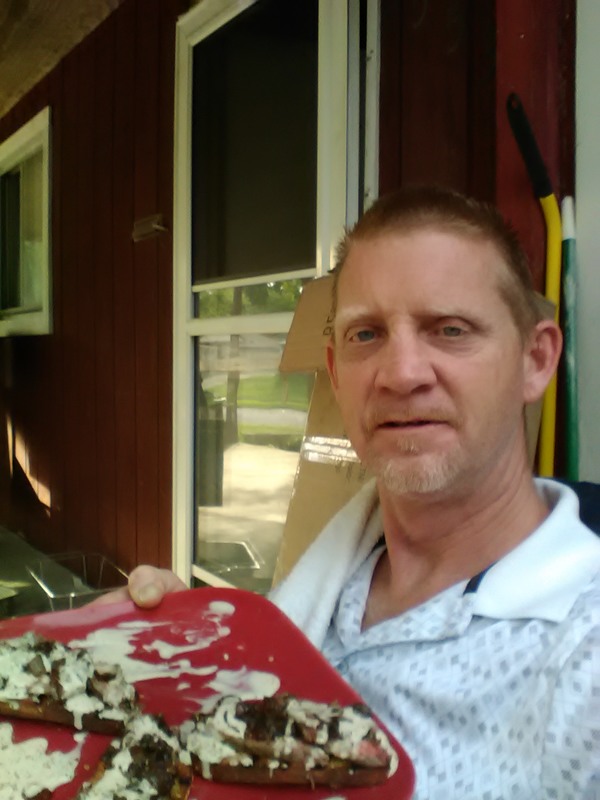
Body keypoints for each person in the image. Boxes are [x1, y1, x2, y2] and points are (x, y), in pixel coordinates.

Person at [98, 186, 600, 799]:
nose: (401, 374)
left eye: (450, 329)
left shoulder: (582, 660)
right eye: (367, 335)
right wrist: (190, 672)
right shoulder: (328, 587)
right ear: (336, 375)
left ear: (536, 360)